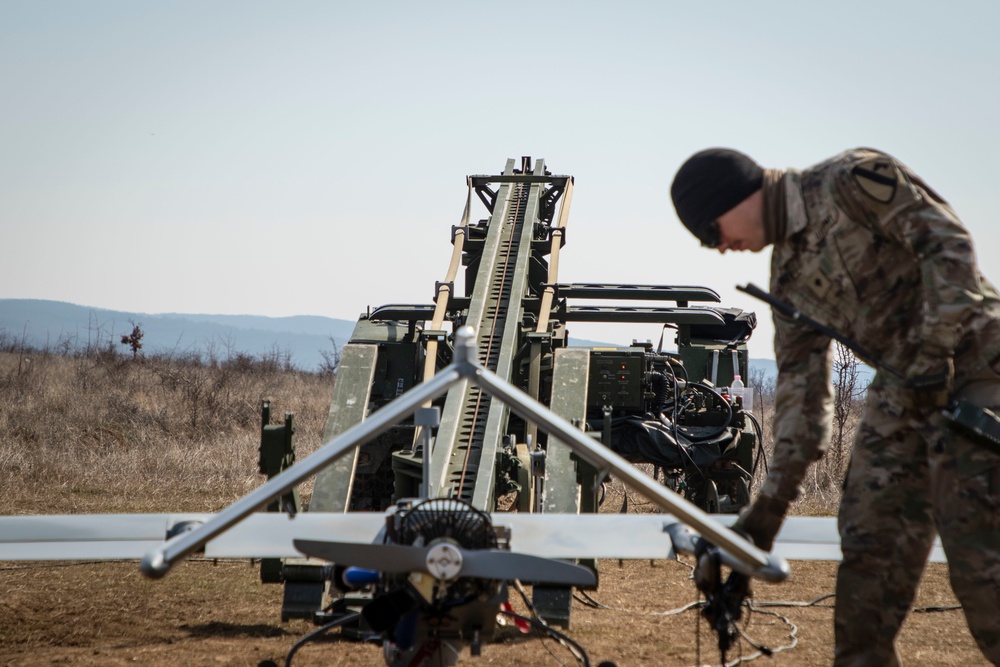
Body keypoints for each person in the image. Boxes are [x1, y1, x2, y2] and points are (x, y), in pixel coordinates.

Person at [670, 147, 1000, 666]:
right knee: (867, 549)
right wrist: (765, 516)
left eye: (711, 232)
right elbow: (802, 405)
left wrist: (936, 351)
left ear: (735, 197)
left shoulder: (850, 181)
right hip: (903, 393)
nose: (719, 249)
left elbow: (949, 245)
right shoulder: (788, 282)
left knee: (981, 567)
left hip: (979, 365)